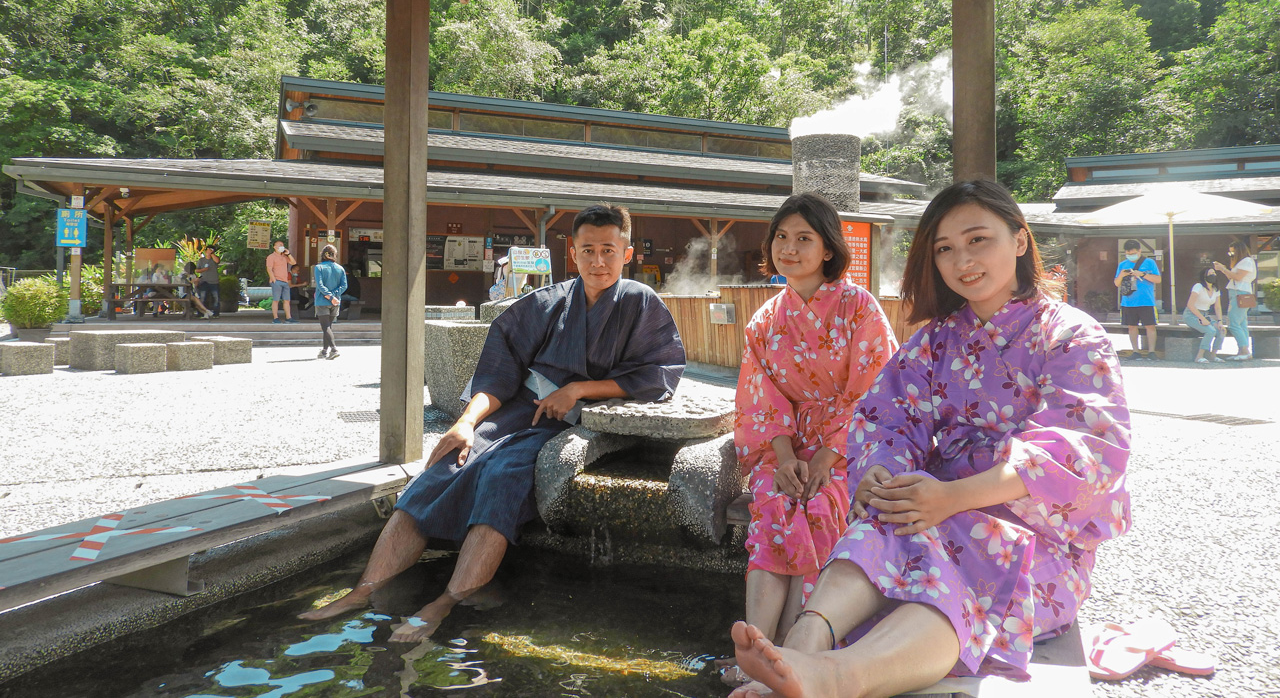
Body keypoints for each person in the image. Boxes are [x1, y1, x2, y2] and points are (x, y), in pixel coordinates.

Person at [728, 180, 1130, 698]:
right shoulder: (937, 339)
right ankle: (802, 650)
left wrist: (953, 498)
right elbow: (886, 416)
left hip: (1029, 529)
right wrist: (878, 472)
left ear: (1020, 240)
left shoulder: (1071, 335)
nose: (962, 259)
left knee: (958, 563)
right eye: (945, 248)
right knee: (880, 522)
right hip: (930, 506)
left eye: (977, 240)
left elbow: (1086, 447)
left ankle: (836, 678)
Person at [298, 204, 686, 640]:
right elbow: (498, 376)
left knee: (503, 474)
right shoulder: (544, 304)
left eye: (609, 251)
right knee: (445, 463)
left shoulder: (639, 301)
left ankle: (447, 600)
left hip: (577, 421)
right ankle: (364, 589)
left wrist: (579, 390)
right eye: (588, 250)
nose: (599, 261)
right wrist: (465, 422)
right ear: (572, 253)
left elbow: (658, 373)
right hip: (520, 409)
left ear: (627, 253)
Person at [726, 193, 897, 685]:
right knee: (775, 504)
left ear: (827, 249)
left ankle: (787, 653)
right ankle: (756, 648)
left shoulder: (858, 307)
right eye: (781, 237)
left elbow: (876, 389)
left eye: (805, 238)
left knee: (822, 506)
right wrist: (781, 456)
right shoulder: (764, 321)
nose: (790, 247)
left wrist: (828, 454)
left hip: (852, 444)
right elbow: (759, 400)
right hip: (784, 445)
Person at [1114, 239, 1161, 358]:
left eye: (1133, 253)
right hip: (1129, 301)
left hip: (1146, 301)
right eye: (1128, 254)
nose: (1130, 255)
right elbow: (1116, 283)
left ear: (1139, 251)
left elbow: (1158, 280)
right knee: (1131, 326)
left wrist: (1142, 274)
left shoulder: (1149, 262)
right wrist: (1122, 275)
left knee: (1150, 326)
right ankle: (1135, 351)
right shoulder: (1122, 265)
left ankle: (1151, 352)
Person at [1214, 240, 1257, 361]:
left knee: (1233, 323)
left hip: (1240, 293)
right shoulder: (1242, 262)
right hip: (1238, 292)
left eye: (1232, 252)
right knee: (1241, 323)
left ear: (1239, 251)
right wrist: (1224, 269)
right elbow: (1231, 276)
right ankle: (1243, 351)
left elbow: (1237, 277)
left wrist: (1223, 268)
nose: (1231, 255)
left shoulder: (1247, 261)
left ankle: (1244, 350)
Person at [1182, 267, 1225, 363]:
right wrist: (1201, 318)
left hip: (1206, 314)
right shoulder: (1198, 286)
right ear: (1204, 276)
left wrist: (1220, 321)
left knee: (1221, 331)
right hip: (1192, 314)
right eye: (1210, 273)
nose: (1213, 275)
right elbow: (1190, 305)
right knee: (1210, 331)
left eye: (1214, 273)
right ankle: (1199, 356)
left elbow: (1217, 307)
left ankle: (1213, 355)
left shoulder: (1216, 289)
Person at [313, 245, 347, 360]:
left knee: (325, 327)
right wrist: (335, 295)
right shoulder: (340, 268)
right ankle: (324, 351)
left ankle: (334, 349)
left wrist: (330, 296)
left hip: (322, 301)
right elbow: (344, 286)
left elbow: (320, 285)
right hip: (336, 301)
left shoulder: (319, 267)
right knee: (328, 327)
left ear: (324, 254)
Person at [266, 240, 299, 324]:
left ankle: (288, 317)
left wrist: (288, 254)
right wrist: (274, 280)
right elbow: (269, 269)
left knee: (287, 300)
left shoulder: (284, 256)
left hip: (285, 281)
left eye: (282, 245)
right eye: (279, 245)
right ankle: (275, 318)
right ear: (274, 247)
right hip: (277, 281)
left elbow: (293, 262)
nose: (281, 246)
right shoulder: (271, 257)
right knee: (276, 300)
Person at [196, 246, 221, 317]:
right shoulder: (201, 260)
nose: (208, 251)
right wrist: (204, 270)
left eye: (210, 250)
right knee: (202, 298)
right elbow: (197, 270)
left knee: (216, 298)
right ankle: (201, 313)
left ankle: (216, 314)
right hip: (204, 281)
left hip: (214, 281)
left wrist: (212, 253)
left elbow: (217, 261)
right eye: (207, 250)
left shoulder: (214, 259)